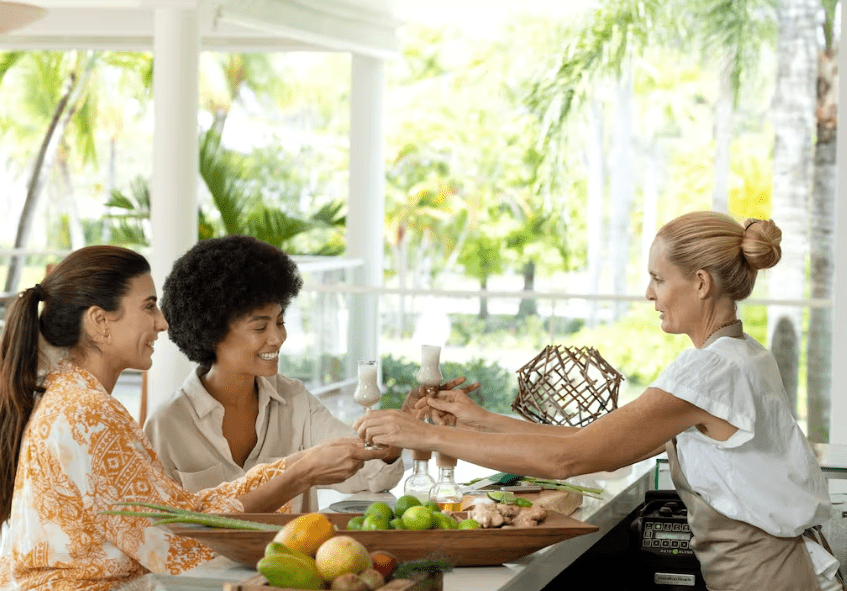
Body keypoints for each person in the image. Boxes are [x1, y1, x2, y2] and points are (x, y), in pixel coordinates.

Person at [356, 212, 843, 591]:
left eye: (658, 278)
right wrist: (479, 420)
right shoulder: (739, 356)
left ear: (699, 283)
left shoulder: (710, 372)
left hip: (772, 577)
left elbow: (571, 458)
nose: (648, 294)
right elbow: (593, 441)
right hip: (780, 569)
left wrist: (421, 433)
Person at [0, 245, 384, 591]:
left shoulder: (74, 401)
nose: (162, 323)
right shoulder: (87, 415)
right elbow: (176, 542)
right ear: (100, 322)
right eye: (149, 306)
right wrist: (301, 474)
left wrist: (301, 464)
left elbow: (178, 514)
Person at [143, 235, 404, 513]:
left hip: (295, 556)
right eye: (260, 327)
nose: (277, 338)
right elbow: (162, 527)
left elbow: (374, 475)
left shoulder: (294, 401)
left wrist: (389, 446)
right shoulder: (167, 425)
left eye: (280, 322)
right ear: (212, 334)